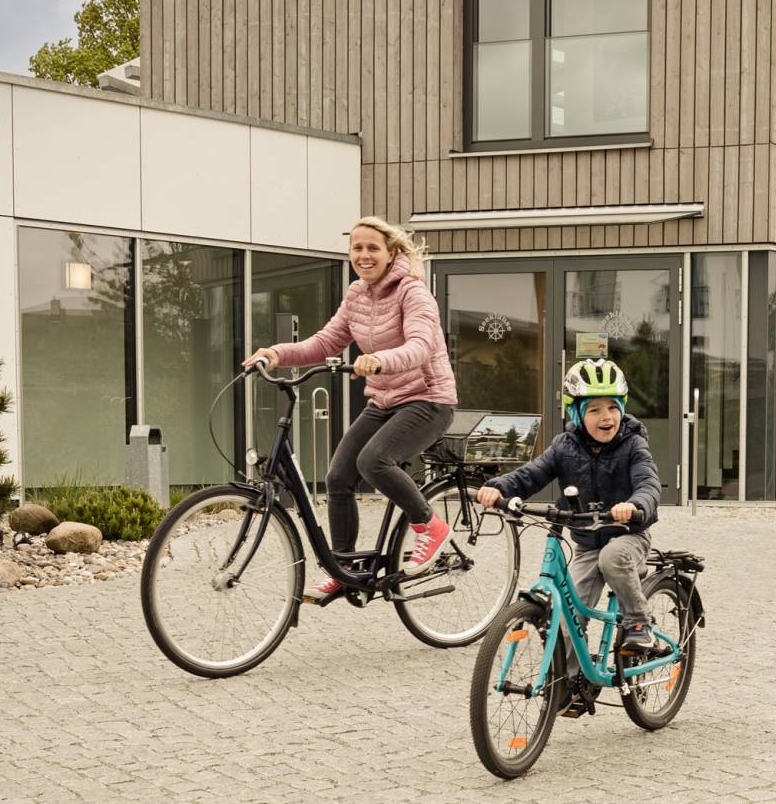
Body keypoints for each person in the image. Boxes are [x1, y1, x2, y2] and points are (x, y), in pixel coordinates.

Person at [242, 217, 458, 599]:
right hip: (385, 399)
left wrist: (380, 360)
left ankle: (428, 524)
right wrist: (276, 353)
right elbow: (326, 342)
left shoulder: (414, 293)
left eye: (372, 247)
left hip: (427, 397)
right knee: (338, 476)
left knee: (373, 461)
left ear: (391, 253)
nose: (363, 255)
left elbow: (421, 345)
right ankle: (345, 569)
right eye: (356, 248)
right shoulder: (357, 295)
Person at [476, 358, 664, 655]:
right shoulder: (564, 446)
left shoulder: (633, 445)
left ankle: (639, 623)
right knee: (564, 620)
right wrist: (498, 488)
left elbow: (648, 483)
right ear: (576, 413)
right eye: (595, 409)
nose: (607, 417)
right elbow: (531, 474)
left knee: (613, 557)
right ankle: (571, 690)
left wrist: (634, 504)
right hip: (588, 543)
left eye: (613, 407)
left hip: (628, 535)